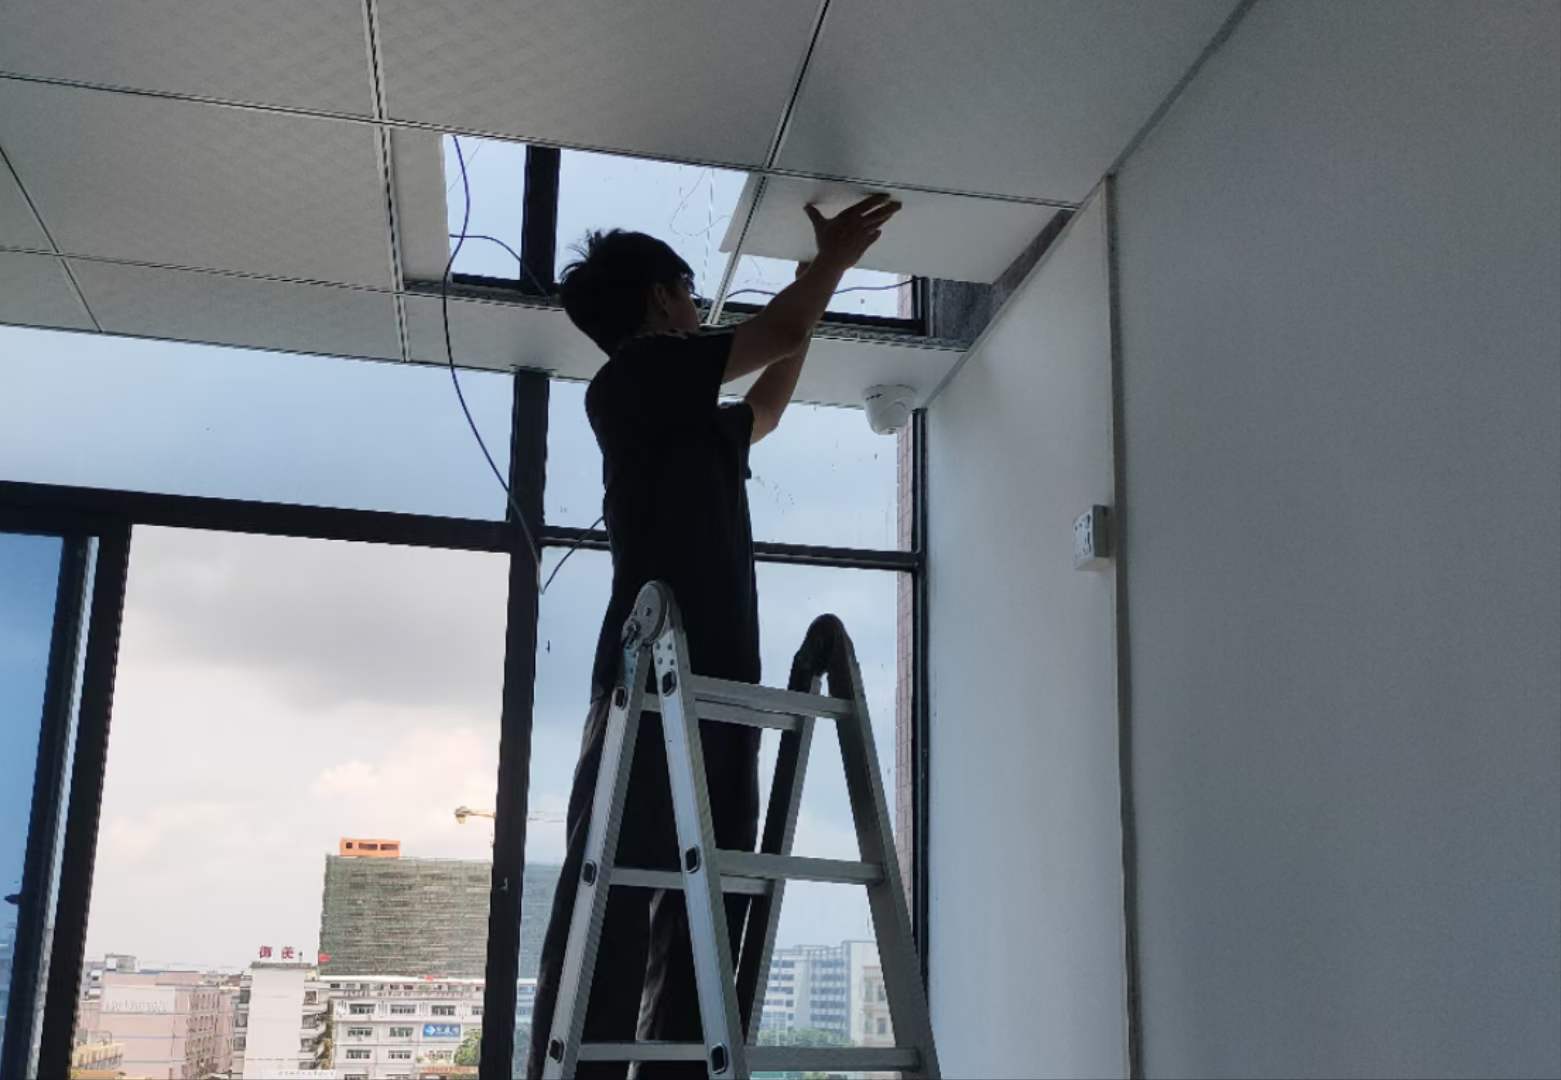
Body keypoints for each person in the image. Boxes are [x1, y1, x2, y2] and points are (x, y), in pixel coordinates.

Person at [526, 194, 900, 1078]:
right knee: (618, 897)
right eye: (689, 293)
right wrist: (827, 266)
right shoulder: (638, 374)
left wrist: (810, 302)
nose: (697, 308)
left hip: (712, 684)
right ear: (661, 298)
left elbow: (763, 406)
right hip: (650, 684)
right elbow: (773, 336)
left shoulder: (681, 415)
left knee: (706, 899)